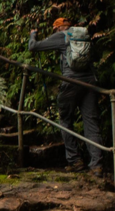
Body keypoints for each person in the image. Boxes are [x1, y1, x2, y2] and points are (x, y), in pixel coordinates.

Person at [28, 17, 103, 174]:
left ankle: (75, 161)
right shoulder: (83, 35)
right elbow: (95, 56)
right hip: (89, 82)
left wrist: (33, 35)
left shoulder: (61, 36)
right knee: (91, 122)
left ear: (58, 28)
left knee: (65, 119)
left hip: (70, 82)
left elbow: (33, 47)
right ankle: (97, 165)